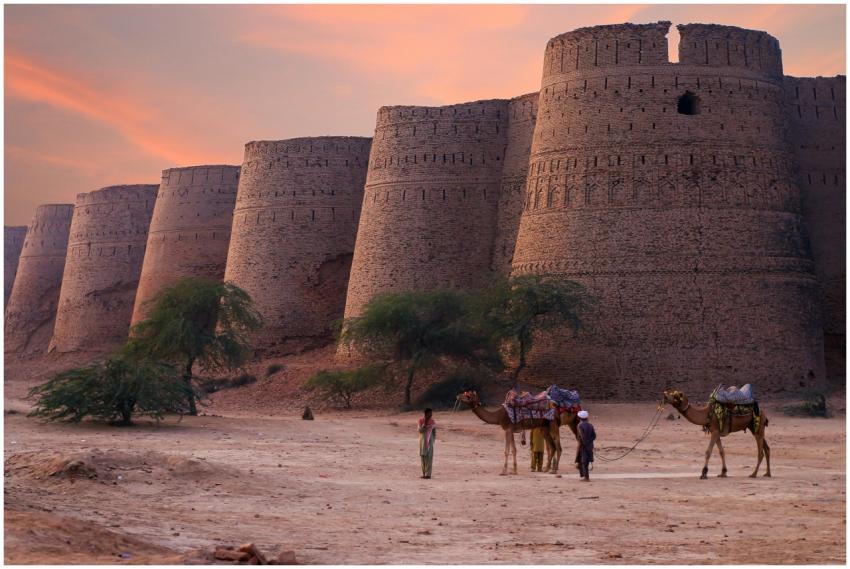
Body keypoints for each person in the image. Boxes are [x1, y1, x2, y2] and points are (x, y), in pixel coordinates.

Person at [576, 410, 596, 481]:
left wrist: (585, 444)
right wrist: (589, 443)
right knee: (586, 461)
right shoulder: (590, 425)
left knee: (583, 461)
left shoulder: (579, 425)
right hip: (590, 445)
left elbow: (582, 437)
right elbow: (594, 436)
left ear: (580, 418)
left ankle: (586, 477)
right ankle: (586, 476)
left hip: (583, 446)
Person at [418, 408, 437, 479]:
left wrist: (433, 440)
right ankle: (424, 474)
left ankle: (428, 475)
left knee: (429, 457)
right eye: (429, 413)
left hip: (429, 442)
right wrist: (424, 424)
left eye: (431, 413)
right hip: (422, 442)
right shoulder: (420, 421)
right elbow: (420, 430)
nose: (431, 415)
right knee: (423, 457)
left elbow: (434, 432)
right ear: (426, 414)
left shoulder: (432, 421)